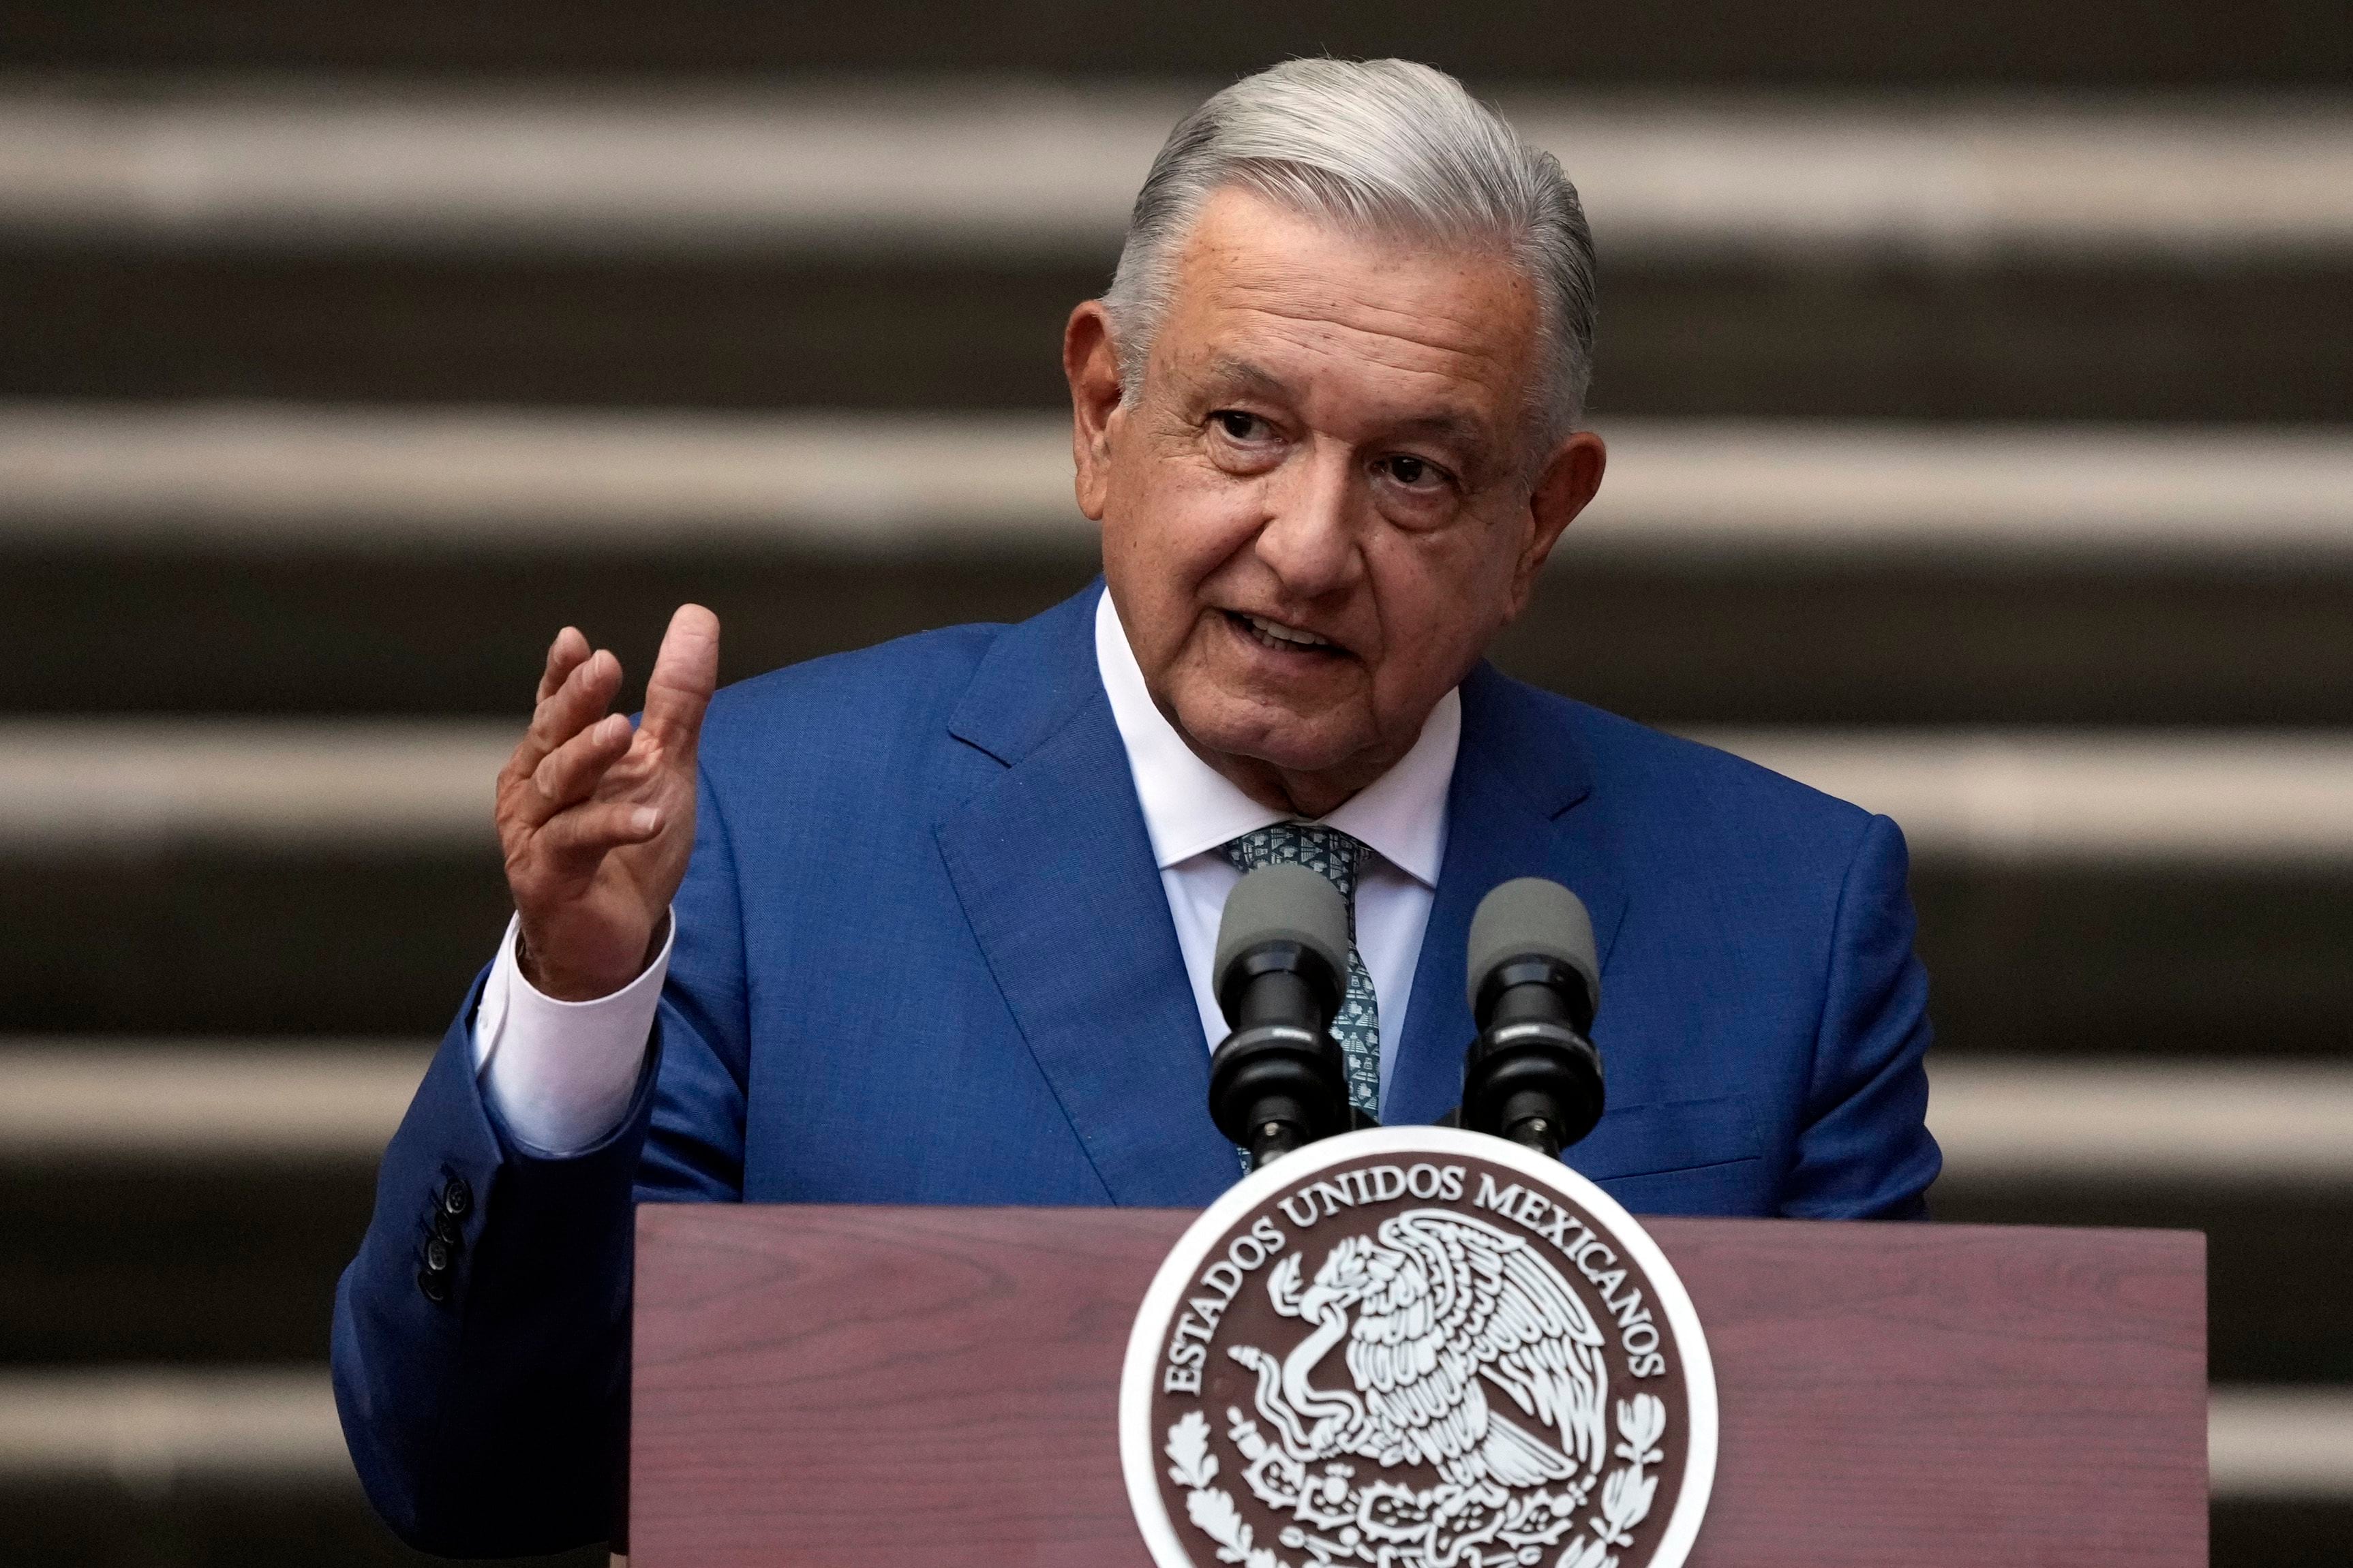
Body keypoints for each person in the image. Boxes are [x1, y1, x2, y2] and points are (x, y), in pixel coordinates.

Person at [333, 58, 1939, 1556]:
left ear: (1539, 519)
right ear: (1104, 413)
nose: (1309, 543)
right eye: (1243, 427)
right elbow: (481, 1476)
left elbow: (1882, 1503)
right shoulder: (769, 828)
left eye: (1413, 474)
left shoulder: (1785, 914)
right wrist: (574, 1007)